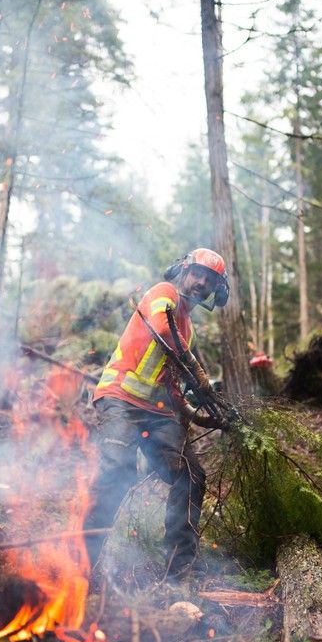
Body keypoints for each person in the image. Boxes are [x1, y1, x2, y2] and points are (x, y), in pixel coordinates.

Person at [86, 248, 230, 579]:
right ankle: (82, 564)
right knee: (115, 473)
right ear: (184, 270)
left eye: (209, 280)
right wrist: (200, 374)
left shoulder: (189, 329)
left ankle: (178, 569)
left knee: (191, 476)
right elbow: (164, 334)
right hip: (120, 399)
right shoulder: (161, 295)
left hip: (158, 411)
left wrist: (205, 416)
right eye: (198, 274)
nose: (201, 283)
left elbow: (174, 387)